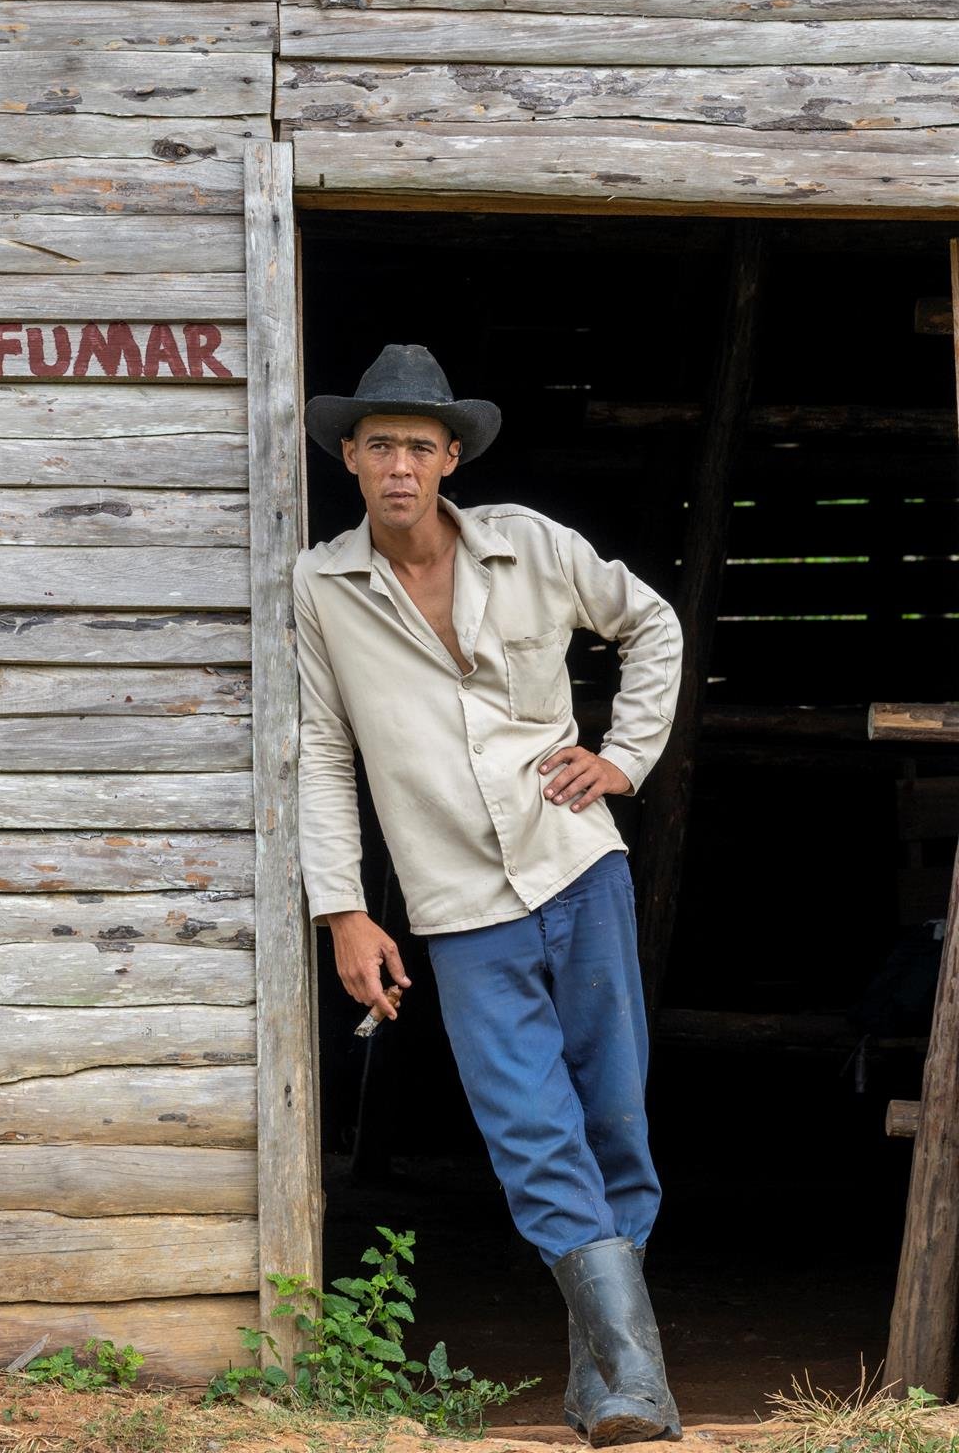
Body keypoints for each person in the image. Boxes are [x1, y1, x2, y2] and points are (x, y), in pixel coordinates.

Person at [292, 342, 685, 1448]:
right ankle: (633, 1385)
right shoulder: (320, 586)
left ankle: (615, 1384)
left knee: (612, 1118)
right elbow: (322, 751)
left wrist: (624, 757)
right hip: (456, 905)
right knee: (527, 1128)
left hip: (575, 863)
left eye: (418, 444)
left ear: (449, 455)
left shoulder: (531, 547)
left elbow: (649, 623)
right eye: (378, 446)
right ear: (349, 460)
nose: (399, 465)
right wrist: (343, 910)